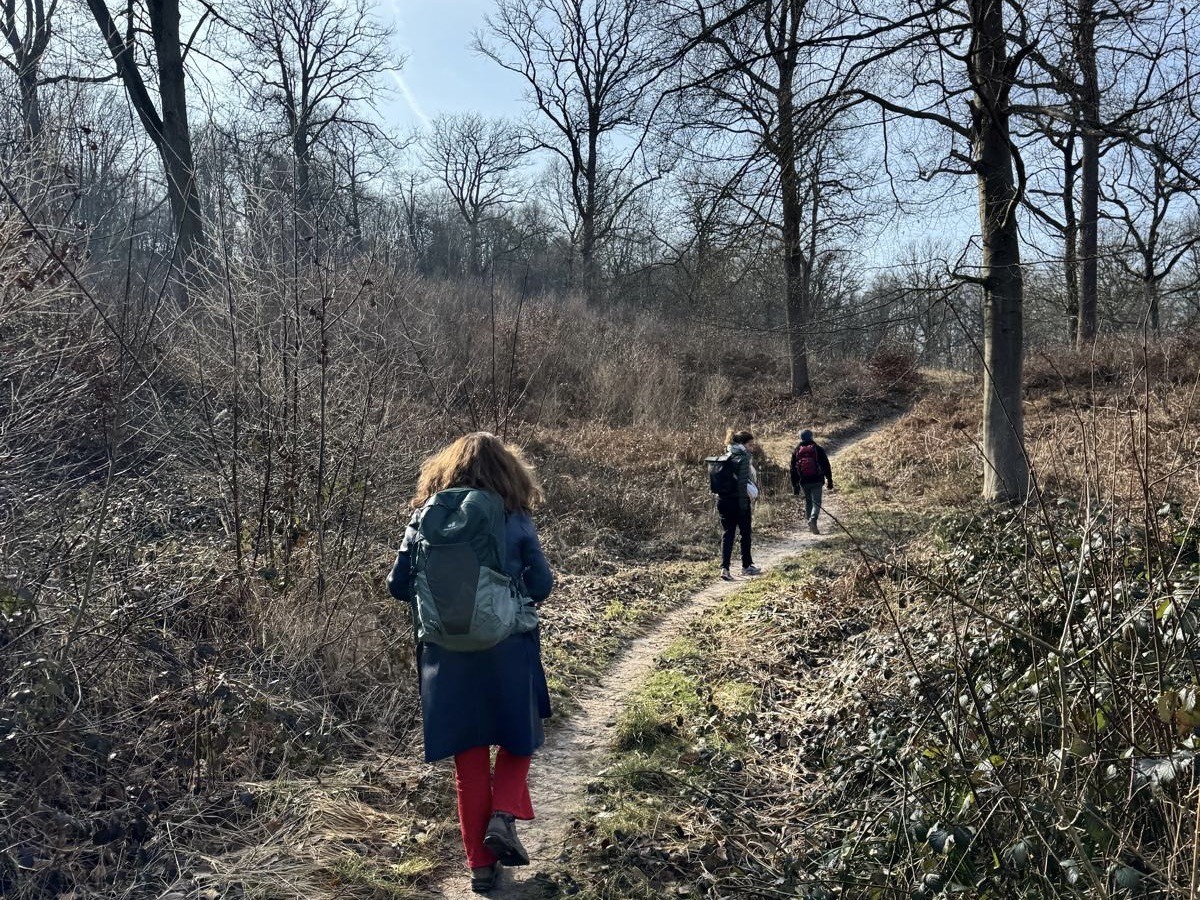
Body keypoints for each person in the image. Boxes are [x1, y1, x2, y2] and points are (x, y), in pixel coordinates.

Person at [387, 433, 554, 894]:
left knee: (469, 759)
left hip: (444, 655)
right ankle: (503, 814)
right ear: (507, 471)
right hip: (508, 646)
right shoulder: (514, 516)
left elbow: (397, 585)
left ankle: (480, 869)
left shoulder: (424, 517)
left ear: (446, 470)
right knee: (520, 737)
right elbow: (541, 585)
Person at [717, 428, 762, 581]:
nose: (752, 448)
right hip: (738, 501)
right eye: (750, 445)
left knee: (728, 534)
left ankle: (725, 568)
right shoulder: (743, 458)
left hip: (722, 501)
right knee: (745, 534)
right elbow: (742, 485)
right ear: (743, 444)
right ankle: (746, 566)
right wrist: (744, 505)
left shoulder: (726, 455)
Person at [789, 429, 834, 534]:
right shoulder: (818, 449)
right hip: (817, 480)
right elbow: (826, 465)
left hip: (804, 481)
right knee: (817, 502)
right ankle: (813, 519)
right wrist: (829, 480)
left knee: (808, 502)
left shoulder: (797, 450)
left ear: (801, 438)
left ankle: (810, 524)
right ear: (811, 437)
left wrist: (795, 485)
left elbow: (792, 469)